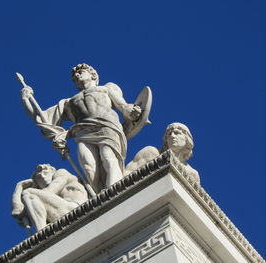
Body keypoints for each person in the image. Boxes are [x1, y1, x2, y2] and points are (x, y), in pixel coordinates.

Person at [21, 64, 142, 193]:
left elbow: (123, 106)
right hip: (83, 132)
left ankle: (115, 192)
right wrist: (26, 99)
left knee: (108, 157)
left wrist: (131, 110)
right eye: (74, 77)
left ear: (93, 75)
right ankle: (100, 197)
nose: (77, 76)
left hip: (107, 126)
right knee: (89, 166)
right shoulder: (68, 102)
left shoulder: (106, 88)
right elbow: (41, 118)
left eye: (81, 72)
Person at [11, 164, 88, 231]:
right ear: (37, 184)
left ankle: (41, 233)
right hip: (60, 214)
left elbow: (52, 189)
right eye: (38, 177)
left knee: (28, 192)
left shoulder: (61, 173)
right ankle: (42, 231)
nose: (43, 176)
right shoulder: (38, 198)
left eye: (45, 173)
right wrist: (19, 186)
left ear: (52, 171)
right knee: (29, 195)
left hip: (75, 208)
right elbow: (17, 212)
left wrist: (29, 191)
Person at [125, 122, 200, 184]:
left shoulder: (192, 174)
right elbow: (126, 174)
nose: (172, 136)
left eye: (177, 133)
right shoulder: (151, 152)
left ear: (187, 139)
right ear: (166, 141)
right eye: (169, 134)